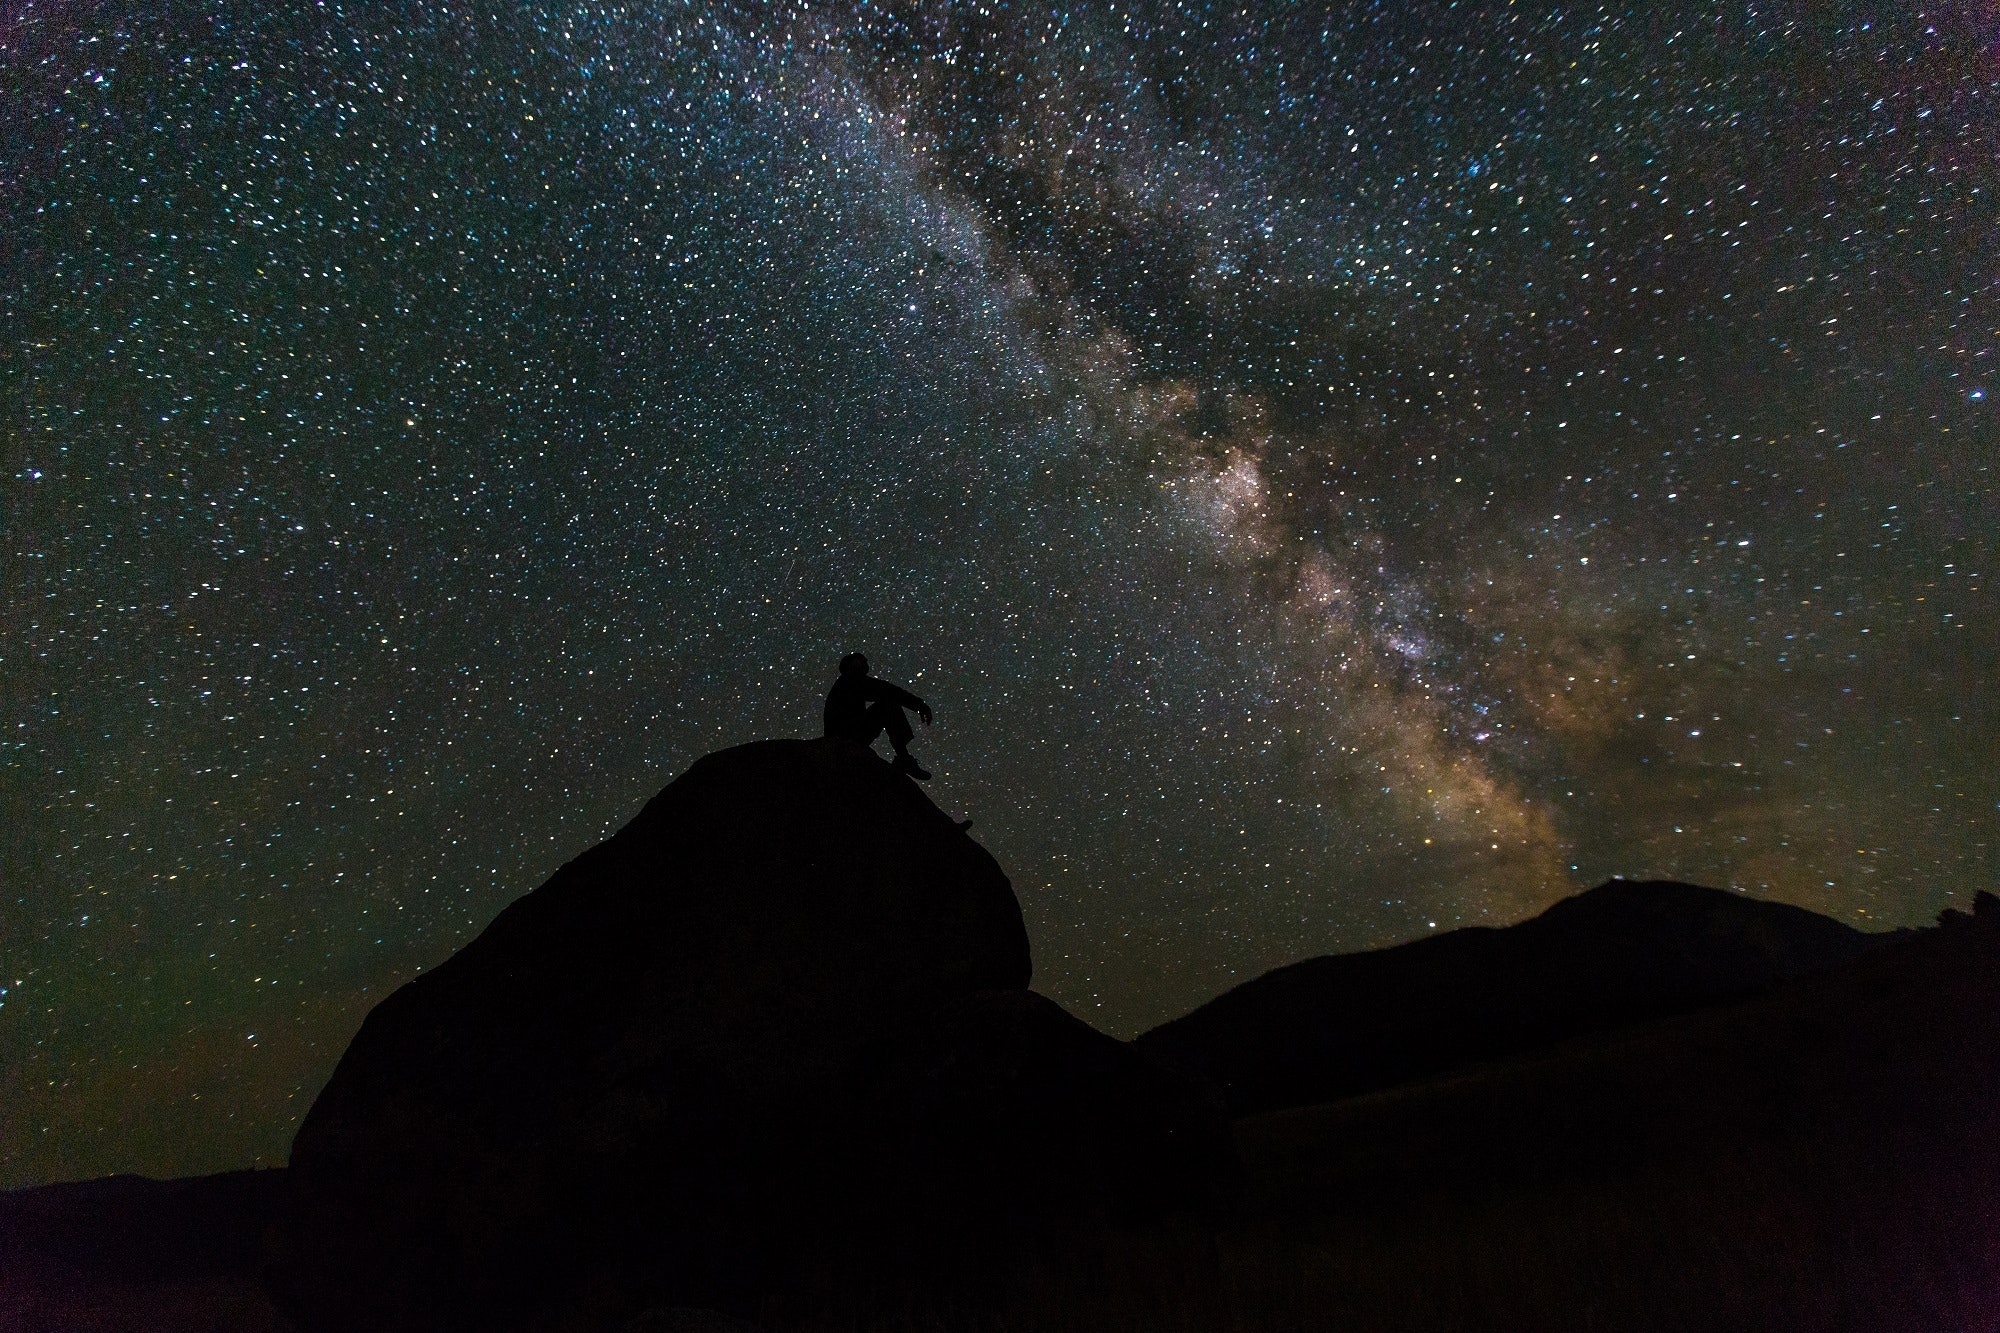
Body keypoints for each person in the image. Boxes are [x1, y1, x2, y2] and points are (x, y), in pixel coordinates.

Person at [823, 652, 933, 780]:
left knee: (888, 704)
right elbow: (887, 691)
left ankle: (904, 758)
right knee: (888, 705)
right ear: (851, 665)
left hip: (844, 736)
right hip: (845, 738)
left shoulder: (845, 683)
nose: (866, 664)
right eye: (861, 661)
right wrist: (919, 705)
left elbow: (884, 690)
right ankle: (903, 758)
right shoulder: (851, 680)